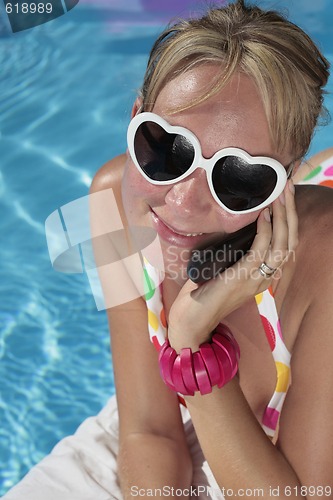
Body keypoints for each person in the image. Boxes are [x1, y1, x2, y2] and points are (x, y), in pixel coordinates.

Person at [4, 1, 333, 499]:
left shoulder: (323, 262)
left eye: (239, 177)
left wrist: (192, 339)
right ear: (135, 117)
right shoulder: (111, 199)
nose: (183, 201)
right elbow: (148, 430)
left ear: (282, 185)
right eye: (165, 148)